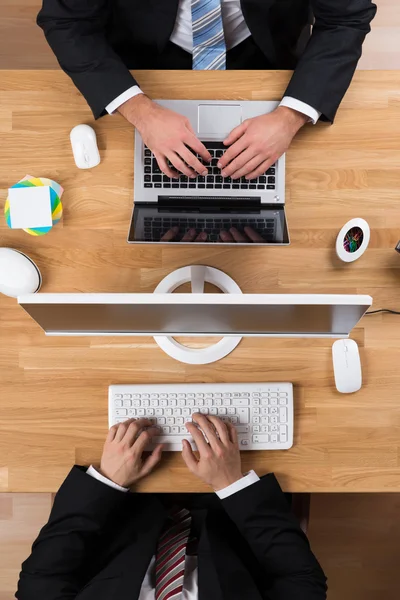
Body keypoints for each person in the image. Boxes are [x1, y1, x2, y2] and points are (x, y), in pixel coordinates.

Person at [37, 0, 376, 181]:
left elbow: (346, 19)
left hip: (266, 47)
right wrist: (140, 111)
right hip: (146, 52)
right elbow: (68, 22)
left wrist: (291, 117)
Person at [16, 414, 327, 600]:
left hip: (122, 504)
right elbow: (300, 580)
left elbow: (42, 581)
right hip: (233, 510)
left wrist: (107, 481)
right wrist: (232, 484)